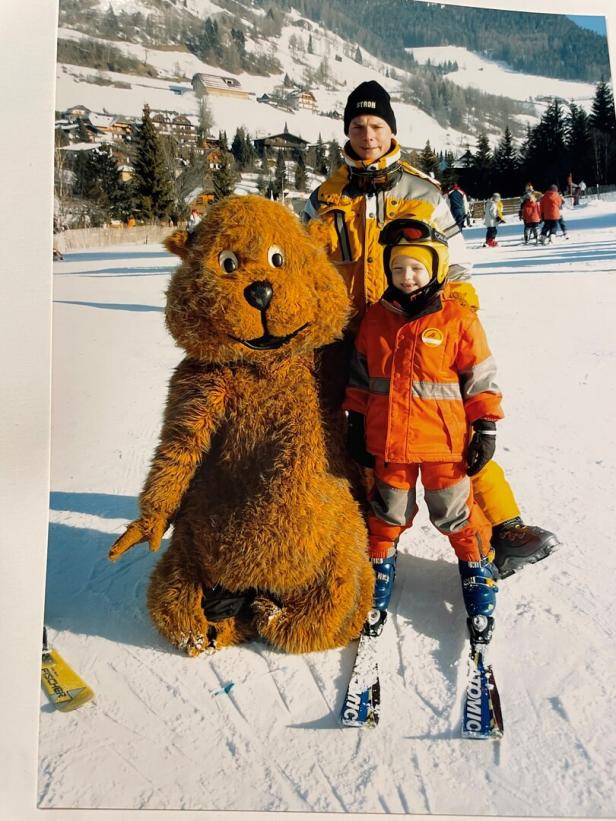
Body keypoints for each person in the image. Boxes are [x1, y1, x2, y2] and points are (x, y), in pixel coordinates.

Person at [303, 80, 559, 579]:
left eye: (377, 126)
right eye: (358, 126)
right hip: (349, 338)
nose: (368, 135)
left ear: (391, 130)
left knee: (452, 434)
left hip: (420, 331)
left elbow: (457, 267)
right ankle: (345, 528)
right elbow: (301, 268)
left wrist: (455, 321)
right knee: (347, 437)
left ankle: (504, 527)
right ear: (346, 132)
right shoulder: (324, 197)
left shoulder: (422, 192)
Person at [344, 218, 501, 642]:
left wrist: (485, 426)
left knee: (454, 514)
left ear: (436, 268)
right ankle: (379, 566)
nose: (406, 277)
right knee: (388, 511)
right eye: (397, 269)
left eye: (415, 268)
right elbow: (360, 379)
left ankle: (475, 567)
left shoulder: (457, 319)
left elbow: (480, 378)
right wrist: (355, 422)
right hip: (388, 442)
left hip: (444, 446)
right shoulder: (376, 320)